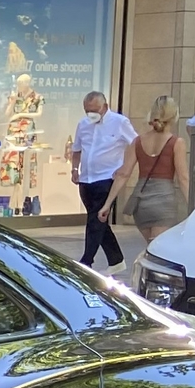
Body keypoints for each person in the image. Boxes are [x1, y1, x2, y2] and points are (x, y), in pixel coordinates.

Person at [66, 90, 136, 272]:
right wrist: (74, 169)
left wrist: (125, 167)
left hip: (107, 178)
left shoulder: (120, 123)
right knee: (97, 219)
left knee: (95, 220)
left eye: (94, 110)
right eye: (87, 110)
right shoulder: (83, 124)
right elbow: (77, 149)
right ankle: (116, 260)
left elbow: (136, 144)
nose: (91, 114)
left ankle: (86, 261)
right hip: (86, 177)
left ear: (105, 107)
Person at [125, 94, 189, 254]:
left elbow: (123, 173)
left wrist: (106, 205)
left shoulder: (138, 141)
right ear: (174, 116)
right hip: (163, 201)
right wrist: (194, 206)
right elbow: (183, 178)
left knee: (152, 248)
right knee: (158, 251)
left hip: (141, 202)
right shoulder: (176, 142)